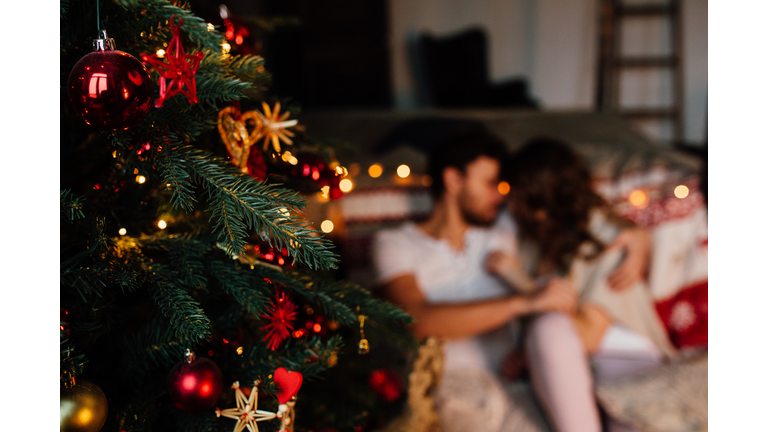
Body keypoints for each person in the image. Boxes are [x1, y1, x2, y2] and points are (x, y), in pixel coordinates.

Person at [371, 126, 652, 431]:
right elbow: (416, 321)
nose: (500, 195)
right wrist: (522, 303)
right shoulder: (395, 243)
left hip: (516, 387)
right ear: (453, 180)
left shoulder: (504, 228)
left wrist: (635, 235)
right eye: (491, 183)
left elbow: (567, 205)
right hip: (451, 388)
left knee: (552, 330)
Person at [487, 136, 677, 432]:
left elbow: (587, 334)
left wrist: (523, 286)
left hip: (628, 363)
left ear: (539, 195)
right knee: (546, 327)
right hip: (577, 371)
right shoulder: (531, 242)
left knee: (548, 324)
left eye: (514, 193)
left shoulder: (608, 237)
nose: (508, 205)